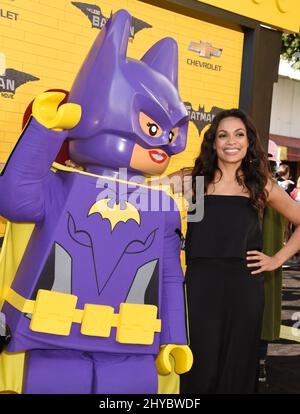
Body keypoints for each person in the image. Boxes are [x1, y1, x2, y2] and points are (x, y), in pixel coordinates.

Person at [179, 108, 300, 394]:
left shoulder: (260, 186)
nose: (230, 141)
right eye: (223, 135)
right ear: (213, 142)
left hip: (244, 287)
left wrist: (277, 260)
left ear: (248, 142)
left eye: (238, 134)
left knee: (237, 364)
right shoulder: (193, 181)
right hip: (200, 287)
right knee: (198, 362)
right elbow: (131, 192)